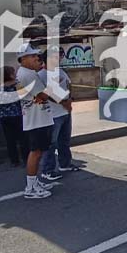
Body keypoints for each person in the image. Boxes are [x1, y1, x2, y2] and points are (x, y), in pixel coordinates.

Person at [16, 44, 56, 199]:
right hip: (36, 120)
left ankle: (34, 181)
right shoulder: (28, 75)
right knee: (36, 152)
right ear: (23, 58)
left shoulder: (27, 73)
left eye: (36, 56)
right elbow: (43, 96)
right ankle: (31, 187)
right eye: (32, 56)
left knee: (38, 151)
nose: (36, 59)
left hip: (37, 118)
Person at [39, 47, 77, 180]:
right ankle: (47, 170)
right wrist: (63, 102)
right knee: (51, 143)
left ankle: (65, 163)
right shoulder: (42, 75)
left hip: (65, 112)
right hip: (53, 114)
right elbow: (47, 94)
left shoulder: (60, 71)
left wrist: (70, 99)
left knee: (64, 140)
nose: (59, 59)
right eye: (56, 56)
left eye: (60, 56)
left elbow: (69, 84)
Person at [0, 66, 28, 167]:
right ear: (10, 75)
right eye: (14, 73)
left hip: (4, 116)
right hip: (17, 115)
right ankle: (26, 159)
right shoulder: (16, 87)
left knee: (10, 139)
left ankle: (14, 160)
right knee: (23, 138)